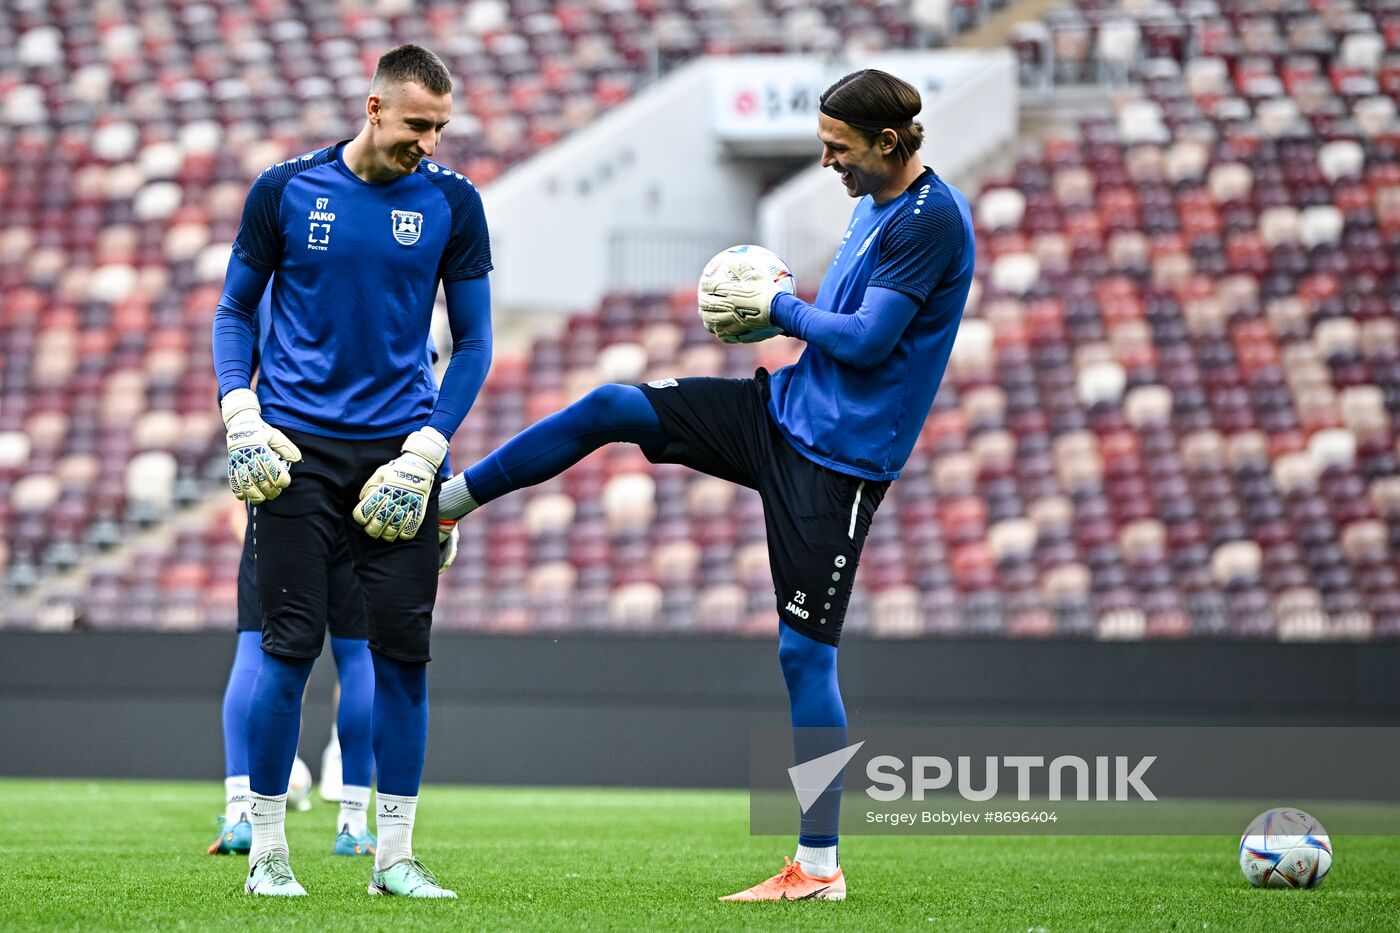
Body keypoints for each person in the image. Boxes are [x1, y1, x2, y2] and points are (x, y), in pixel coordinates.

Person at [435, 69, 974, 902]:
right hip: (782, 410)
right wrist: (782, 315)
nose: (829, 162)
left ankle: (820, 869)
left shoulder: (933, 221)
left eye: (839, 149)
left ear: (889, 143)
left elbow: (867, 344)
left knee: (804, 653)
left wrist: (780, 307)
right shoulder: (873, 200)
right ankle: (448, 505)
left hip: (839, 462)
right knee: (614, 404)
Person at [211, 43, 491, 897]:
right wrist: (239, 408)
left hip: (400, 458)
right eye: (417, 125)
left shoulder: (454, 202)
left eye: (441, 127)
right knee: (286, 648)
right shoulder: (285, 189)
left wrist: (430, 446)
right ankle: (267, 854)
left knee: (403, 658)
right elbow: (234, 311)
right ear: (373, 109)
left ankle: (393, 858)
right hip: (296, 453)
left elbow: (475, 342)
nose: (430, 143)